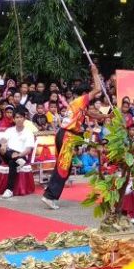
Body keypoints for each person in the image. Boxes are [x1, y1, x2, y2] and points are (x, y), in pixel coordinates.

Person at [42, 64, 108, 210]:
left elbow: (91, 114)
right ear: (85, 93)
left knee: (66, 166)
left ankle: (51, 192)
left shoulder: (78, 105)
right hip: (67, 136)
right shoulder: (81, 100)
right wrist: (95, 73)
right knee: (63, 167)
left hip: (65, 135)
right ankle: (49, 196)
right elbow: (97, 89)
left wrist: (105, 115)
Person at [0, 108, 35, 198]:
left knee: (13, 163)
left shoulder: (28, 132)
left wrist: (19, 155)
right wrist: (4, 145)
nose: (19, 119)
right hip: (9, 154)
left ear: (24, 119)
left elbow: (28, 149)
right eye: (16, 117)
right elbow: (3, 140)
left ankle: (9, 190)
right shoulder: (10, 130)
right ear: (14, 119)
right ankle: (17, 160)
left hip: (21, 155)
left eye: (21, 117)